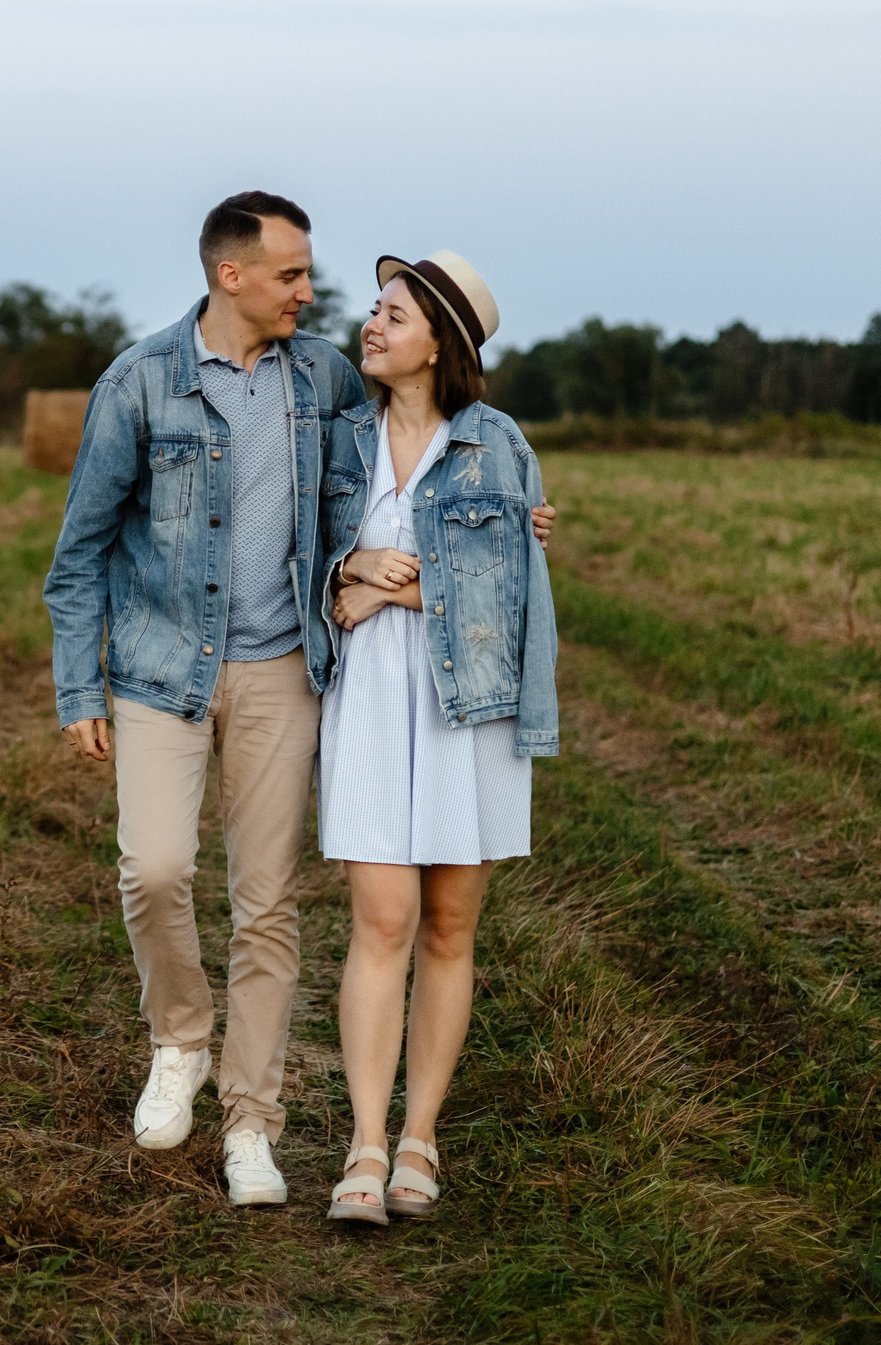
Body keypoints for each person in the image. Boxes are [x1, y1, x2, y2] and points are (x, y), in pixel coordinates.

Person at [44, 197, 552, 1208]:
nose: (317, 299)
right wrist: (76, 684)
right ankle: (180, 1041)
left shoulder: (324, 380)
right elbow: (79, 552)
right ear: (232, 276)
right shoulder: (142, 382)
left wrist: (493, 533)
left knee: (268, 907)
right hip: (162, 669)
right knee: (154, 871)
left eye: (337, 288)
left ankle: (255, 1126)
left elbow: (474, 527)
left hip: (288, 670)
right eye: (295, 276)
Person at [314, 250, 558, 1227]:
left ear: (439, 345)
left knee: (450, 928)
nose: (372, 326)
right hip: (369, 703)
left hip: (472, 710)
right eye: (374, 311)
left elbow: (516, 584)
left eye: (394, 315)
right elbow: (310, 583)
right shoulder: (337, 445)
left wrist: (387, 584)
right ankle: (365, 1146)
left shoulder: (497, 444)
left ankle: (423, 1137)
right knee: (380, 922)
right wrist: (352, 573)